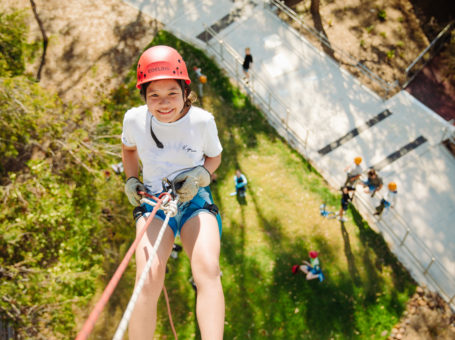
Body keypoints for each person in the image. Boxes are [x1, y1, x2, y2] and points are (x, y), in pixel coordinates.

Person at [121, 45, 224, 340]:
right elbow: (128, 149)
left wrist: (201, 175)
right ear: (144, 96)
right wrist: (131, 179)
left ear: (185, 91)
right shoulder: (134, 120)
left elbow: (214, 157)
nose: (163, 103)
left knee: (207, 268)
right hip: (154, 203)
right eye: (154, 95)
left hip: (194, 202)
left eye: (172, 94)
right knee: (147, 278)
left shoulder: (202, 122)